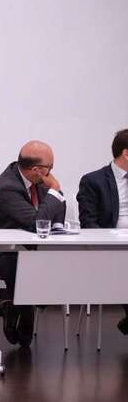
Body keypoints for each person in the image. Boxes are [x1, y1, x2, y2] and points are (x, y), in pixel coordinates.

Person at [0, 140, 65, 346]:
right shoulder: (7, 187)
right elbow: (38, 222)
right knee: (23, 266)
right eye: (50, 167)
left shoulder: (38, 182)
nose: (51, 172)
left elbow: (56, 212)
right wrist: (55, 190)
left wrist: (55, 196)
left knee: (50, 263)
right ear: (36, 170)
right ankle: (21, 309)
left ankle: (14, 307)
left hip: (27, 250)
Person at [77, 128, 128, 336]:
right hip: (111, 249)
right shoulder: (93, 181)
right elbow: (88, 224)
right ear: (126, 153)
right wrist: (112, 242)